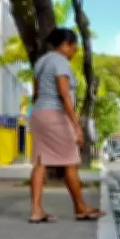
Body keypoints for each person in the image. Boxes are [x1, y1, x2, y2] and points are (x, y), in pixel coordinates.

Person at [28, 28, 105, 223]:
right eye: (74, 46)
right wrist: (77, 126)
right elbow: (64, 94)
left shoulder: (41, 62)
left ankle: (36, 210)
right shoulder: (61, 62)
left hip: (38, 113)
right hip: (55, 114)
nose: (76, 50)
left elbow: (36, 93)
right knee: (71, 161)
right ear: (65, 45)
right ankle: (80, 207)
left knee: (40, 162)